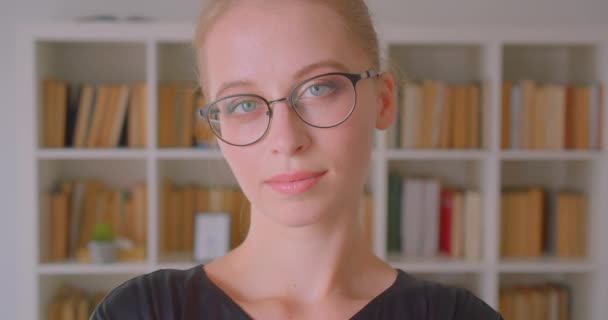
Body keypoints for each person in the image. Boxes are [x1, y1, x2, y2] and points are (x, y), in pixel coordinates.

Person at [91, 0, 503, 319]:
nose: (286, 140)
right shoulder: (140, 313)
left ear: (383, 99)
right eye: (242, 104)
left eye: (319, 89)